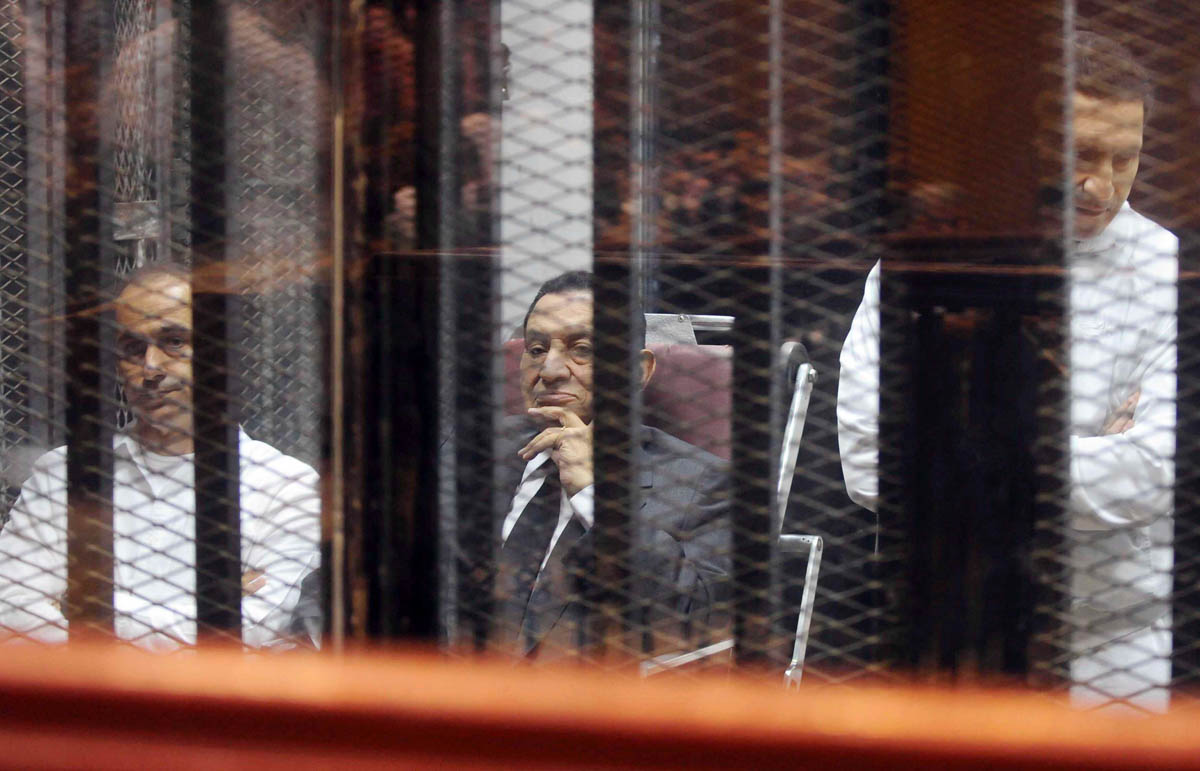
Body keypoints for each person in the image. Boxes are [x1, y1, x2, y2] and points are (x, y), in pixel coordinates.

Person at [837, 32, 1176, 711]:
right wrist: (1090, 451)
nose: (1101, 184)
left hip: (1120, 651)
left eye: (1124, 159)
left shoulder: (1173, 274)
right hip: (950, 641)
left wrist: (962, 456)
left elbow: (1156, 470)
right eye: (1080, 155)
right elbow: (869, 459)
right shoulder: (924, 265)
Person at [0, 262, 320, 649]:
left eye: (173, 342)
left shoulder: (286, 485)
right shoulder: (64, 473)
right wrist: (207, 609)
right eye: (133, 348)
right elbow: (9, 615)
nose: (150, 367)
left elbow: (248, 635)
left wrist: (78, 608)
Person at [493, 271, 729, 660]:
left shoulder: (706, 485)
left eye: (581, 349)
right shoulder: (469, 448)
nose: (549, 370)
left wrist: (595, 497)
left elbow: (699, 628)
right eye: (536, 349)